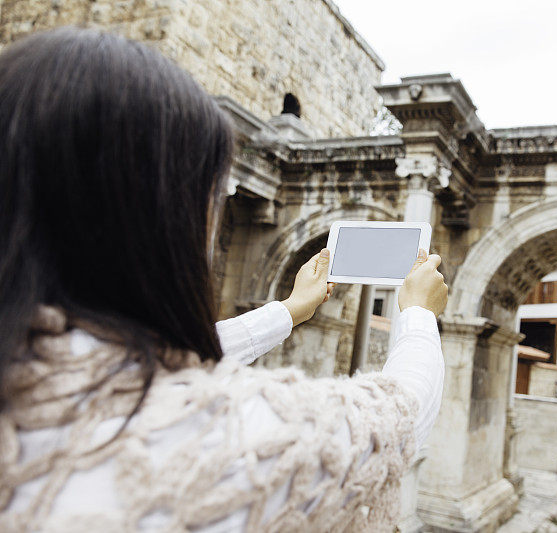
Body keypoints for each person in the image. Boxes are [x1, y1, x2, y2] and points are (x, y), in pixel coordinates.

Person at [0, 28, 449, 532]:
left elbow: (157, 354)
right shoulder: (216, 441)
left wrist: (289, 310)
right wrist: (417, 316)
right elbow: (394, 420)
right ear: (165, 222)